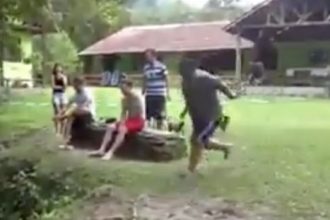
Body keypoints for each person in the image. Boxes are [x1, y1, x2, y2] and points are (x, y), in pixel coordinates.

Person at [179, 55, 238, 173]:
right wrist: (185, 112)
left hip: (211, 115)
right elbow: (189, 99)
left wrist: (231, 94)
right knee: (198, 141)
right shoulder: (185, 82)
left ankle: (193, 167)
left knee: (199, 140)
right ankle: (193, 167)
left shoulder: (204, 77)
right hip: (197, 116)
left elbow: (220, 83)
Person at [90, 79, 145, 160]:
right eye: (121, 89)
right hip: (128, 120)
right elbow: (123, 113)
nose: (122, 91)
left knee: (122, 129)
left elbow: (138, 113)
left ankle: (111, 152)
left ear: (130, 87)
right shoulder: (124, 99)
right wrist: (122, 121)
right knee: (110, 127)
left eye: (124, 88)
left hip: (137, 121)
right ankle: (101, 149)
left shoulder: (136, 98)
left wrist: (123, 124)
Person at [54, 76, 96, 149]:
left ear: (81, 84)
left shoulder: (87, 92)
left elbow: (87, 103)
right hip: (76, 113)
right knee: (70, 118)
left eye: (76, 86)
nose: (75, 87)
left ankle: (62, 118)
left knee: (74, 107)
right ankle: (66, 142)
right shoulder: (75, 95)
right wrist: (59, 113)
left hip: (88, 112)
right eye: (74, 86)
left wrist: (76, 107)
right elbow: (66, 106)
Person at [142, 49, 170, 129]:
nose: (147, 58)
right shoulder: (146, 67)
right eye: (146, 56)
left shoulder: (161, 67)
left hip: (159, 94)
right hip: (150, 94)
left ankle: (159, 130)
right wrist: (143, 89)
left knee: (160, 116)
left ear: (154, 56)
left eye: (148, 56)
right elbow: (145, 79)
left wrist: (167, 92)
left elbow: (166, 79)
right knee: (149, 116)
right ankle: (151, 130)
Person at [51, 63, 68, 135]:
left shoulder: (64, 76)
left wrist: (61, 85)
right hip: (56, 95)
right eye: (57, 67)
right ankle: (57, 130)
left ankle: (62, 130)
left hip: (63, 95)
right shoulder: (53, 76)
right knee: (57, 111)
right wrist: (60, 87)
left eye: (59, 67)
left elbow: (65, 87)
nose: (58, 69)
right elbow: (53, 86)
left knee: (63, 113)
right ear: (55, 69)